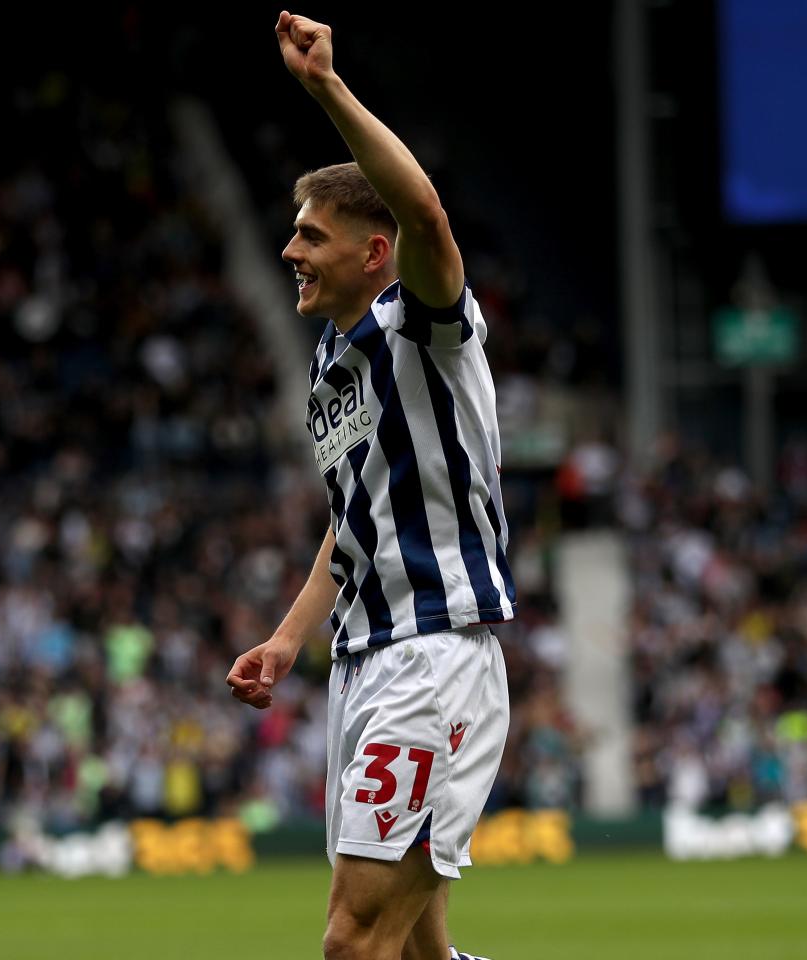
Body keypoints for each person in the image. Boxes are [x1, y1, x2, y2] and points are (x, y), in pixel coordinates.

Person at [226, 12, 516, 960]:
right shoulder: (330, 364)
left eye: (311, 234)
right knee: (418, 949)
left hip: (431, 658)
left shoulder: (425, 323)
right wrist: (287, 637)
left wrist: (326, 89)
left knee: (352, 942)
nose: (290, 251)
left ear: (373, 252)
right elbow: (349, 525)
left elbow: (426, 214)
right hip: (361, 663)